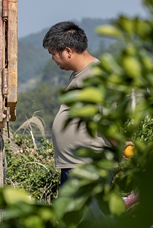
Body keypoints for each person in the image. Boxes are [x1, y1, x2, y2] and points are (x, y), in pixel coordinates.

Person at [42, 21, 109, 185]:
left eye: (53, 54)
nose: (53, 59)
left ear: (68, 51)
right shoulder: (80, 74)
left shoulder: (96, 75)